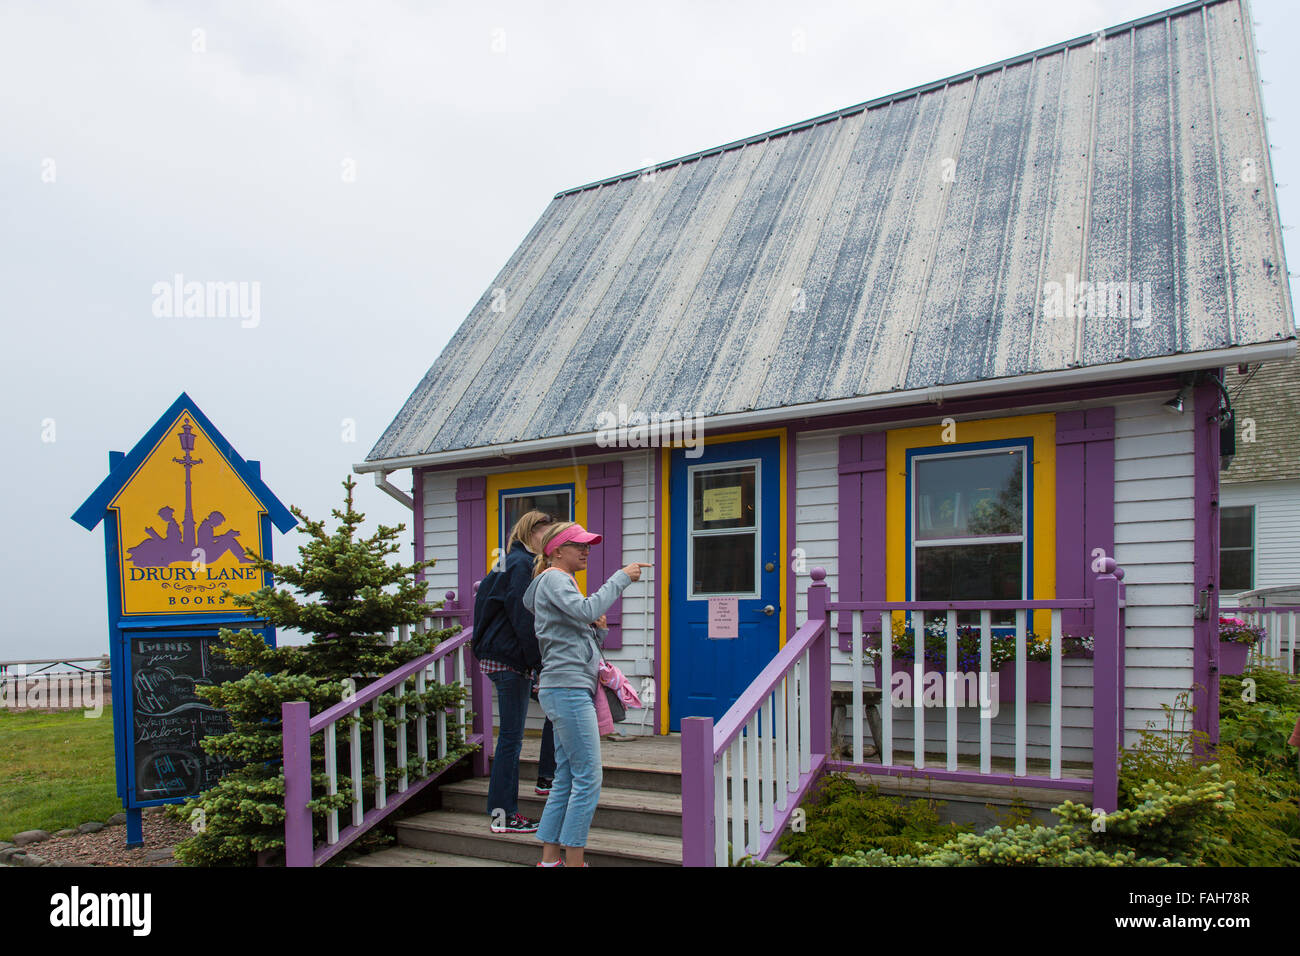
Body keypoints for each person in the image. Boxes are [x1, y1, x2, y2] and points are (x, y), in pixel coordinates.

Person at [523, 521, 649, 867]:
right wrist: (622, 577)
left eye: (588, 545)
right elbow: (584, 611)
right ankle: (576, 861)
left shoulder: (561, 582)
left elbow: (578, 637)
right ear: (556, 551)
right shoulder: (554, 579)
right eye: (579, 545)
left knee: (565, 776)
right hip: (566, 689)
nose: (586, 550)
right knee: (589, 778)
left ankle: (550, 860)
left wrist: (600, 630)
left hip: (566, 686)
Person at [477, 510, 556, 833]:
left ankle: (504, 808)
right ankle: (504, 814)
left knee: (510, 738)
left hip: (497, 655)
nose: (549, 541)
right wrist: (538, 663)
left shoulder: (506, 561)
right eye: (546, 534)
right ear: (531, 532)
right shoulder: (522, 563)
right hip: (509, 658)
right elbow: (523, 614)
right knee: (510, 739)